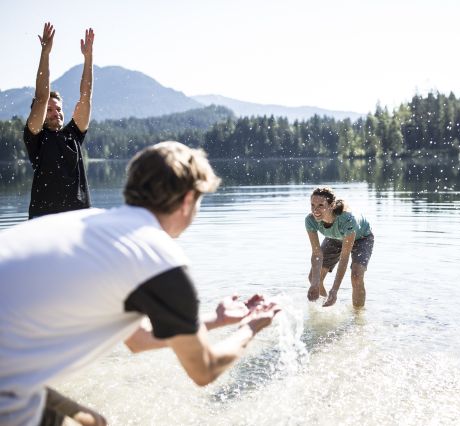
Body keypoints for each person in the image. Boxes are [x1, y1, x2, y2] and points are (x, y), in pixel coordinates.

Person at [0, 141, 280, 426]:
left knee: (95, 422)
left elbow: (139, 339)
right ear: (187, 199)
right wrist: (251, 327)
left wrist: (216, 320)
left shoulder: (88, 224)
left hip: (8, 371)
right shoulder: (157, 257)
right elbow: (203, 370)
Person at [23, 22, 94, 219]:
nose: (56, 113)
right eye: (50, 110)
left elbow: (85, 96)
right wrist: (45, 53)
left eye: (59, 109)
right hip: (43, 226)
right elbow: (41, 97)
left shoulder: (74, 134)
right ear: (38, 114)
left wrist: (88, 58)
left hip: (78, 224)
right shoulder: (36, 137)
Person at [305, 186, 374, 308]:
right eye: (312, 205)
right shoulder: (310, 220)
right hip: (335, 238)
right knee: (313, 278)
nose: (315, 210)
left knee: (356, 276)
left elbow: (344, 257)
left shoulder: (347, 219)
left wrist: (335, 289)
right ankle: (327, 309)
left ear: (331, 205)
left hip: (362, 238)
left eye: (321, 205)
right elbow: (317, 254)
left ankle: (358, 318)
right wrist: (315, 284)